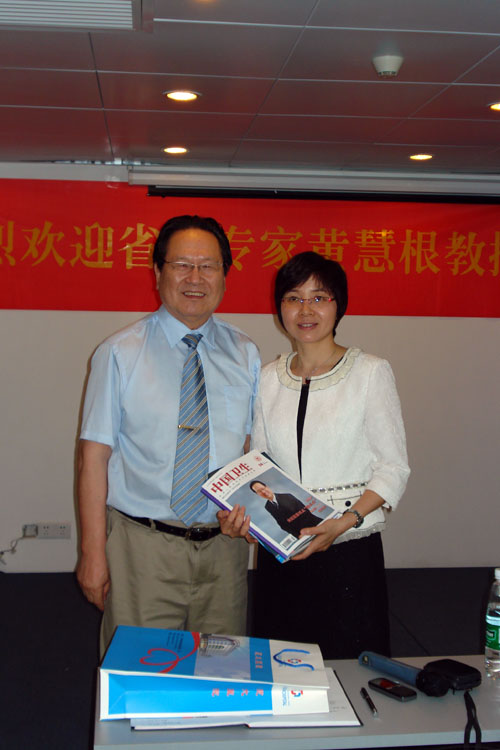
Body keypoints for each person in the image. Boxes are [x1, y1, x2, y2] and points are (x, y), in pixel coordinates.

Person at [76, 214, 260, 653]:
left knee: (220, 671)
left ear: (224, 275)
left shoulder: (245, 353)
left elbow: (250, 450)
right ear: (158, 272)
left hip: (223, 550)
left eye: (208, 266)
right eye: (182, 265)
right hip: (143, 549)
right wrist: (92, 553)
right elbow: (93, 459)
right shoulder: (119, 353)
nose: (195, 278)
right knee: (139, 672)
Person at [219, 251, 410, 659]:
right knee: (281, 666)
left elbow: (393, 468)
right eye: (293, 298)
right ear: (280, 309)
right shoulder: (267, 378)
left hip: (348, 550)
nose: (305, 310)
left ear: (339, 306)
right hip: (281, 551)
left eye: (319, 298)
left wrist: (343, 523)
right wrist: (243, 515)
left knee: (352, 668)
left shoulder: (369, 372)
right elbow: (260, 465)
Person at [249, 480, 323, 538]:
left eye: (263, 488)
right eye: (259, 491)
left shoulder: (287, 496)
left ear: (267, 487)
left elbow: (305, 513)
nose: (263, 492)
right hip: (301, 535)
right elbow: (282, 524)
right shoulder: (268, 506)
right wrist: (298, 535)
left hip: (315, 524)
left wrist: (305, 532)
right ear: (257, 494)